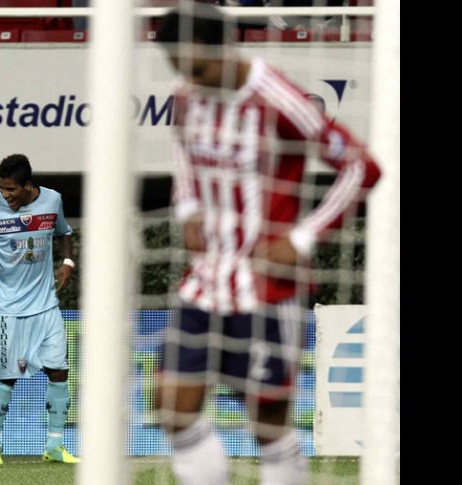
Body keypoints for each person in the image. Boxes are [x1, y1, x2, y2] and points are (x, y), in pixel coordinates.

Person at [154, 7, 380, 485]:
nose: (191, 80)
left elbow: (361, 167)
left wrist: (301, 238)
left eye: (198, 68)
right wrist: (189, 208)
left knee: (267, 426)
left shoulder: (277, 98)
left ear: (225, 49)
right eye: (179, 69)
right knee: (171, 407)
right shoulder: (188, 97)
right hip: (206, 280)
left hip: (268, 290)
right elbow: (182, 150)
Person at [0, 154, 80, 465]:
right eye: (1, 188)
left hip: (46, 303)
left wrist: (67, 262)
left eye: (11, 189)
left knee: (59, 371)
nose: (5, 195)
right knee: (7, 376)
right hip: (6, 306)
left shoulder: (52, 201)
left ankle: (54, 445)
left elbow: (64, 232)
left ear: (28, 185)